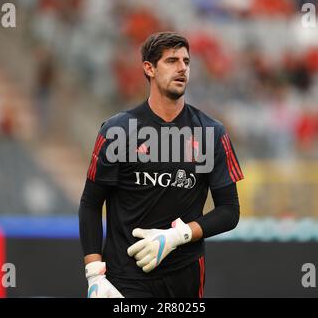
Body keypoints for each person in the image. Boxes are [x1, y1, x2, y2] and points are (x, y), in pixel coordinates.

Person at [78, 32, 243, 298]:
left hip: (186, 276)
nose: (182, 68)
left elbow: (229, 211)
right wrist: (94, 274)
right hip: (125, 276)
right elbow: (91, 203)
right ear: (149, 68)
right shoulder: (118, 130)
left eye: (187, 62)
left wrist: (179, 235)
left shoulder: (211, 133)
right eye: (172, 61)